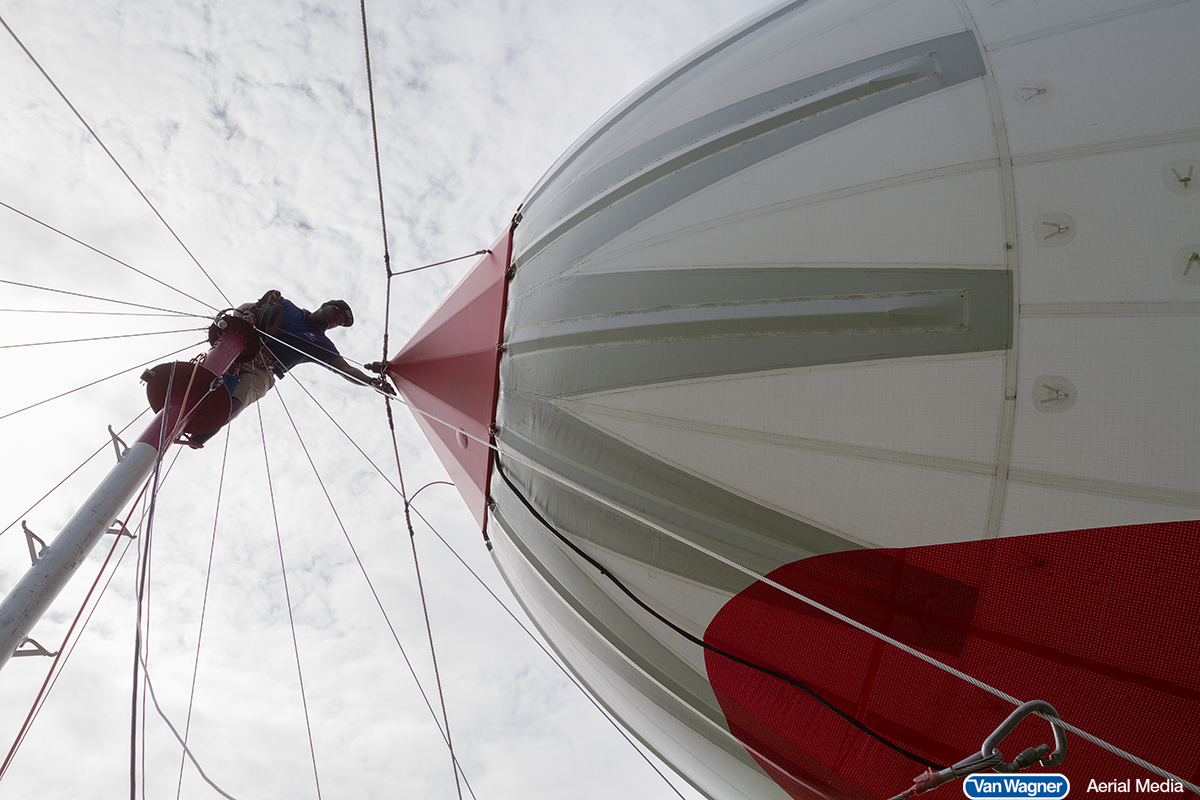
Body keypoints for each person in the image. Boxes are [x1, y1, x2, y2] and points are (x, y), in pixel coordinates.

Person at [187, 291, 393, 447]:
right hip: (240, 345)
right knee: (203, 377)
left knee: (246, 394)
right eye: (336, 313)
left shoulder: (321, 344)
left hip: (264, 369)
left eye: (339, 322)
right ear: (325, 305)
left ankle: (204, 428)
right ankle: (182, 395)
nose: (336, 320)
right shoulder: (287, 307)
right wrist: (263, 301)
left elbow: (345, 369)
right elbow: (250, 308)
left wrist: (371, 382)